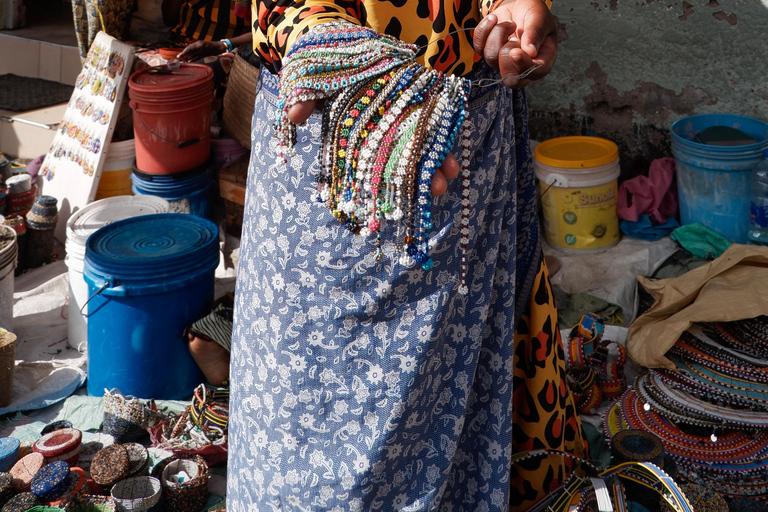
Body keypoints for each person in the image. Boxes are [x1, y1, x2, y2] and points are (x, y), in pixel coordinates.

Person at [228, 0, 587, 510]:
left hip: (466, 144)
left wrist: (514, 9)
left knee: (455, 421)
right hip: (334, 137)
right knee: (307, 441)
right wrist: (340, 50)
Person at [161, 0, 252, 60]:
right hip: (180, 46)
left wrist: (222, 45)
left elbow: (259, 34)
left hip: (227, 51)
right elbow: (169, 20)